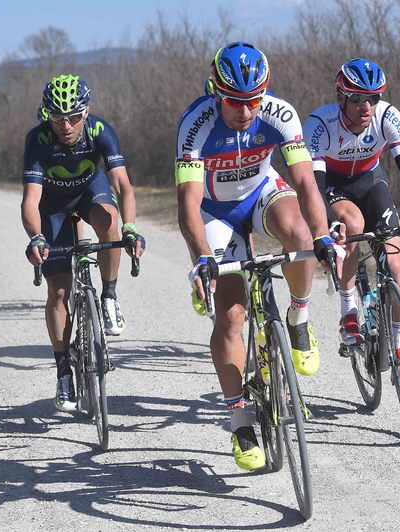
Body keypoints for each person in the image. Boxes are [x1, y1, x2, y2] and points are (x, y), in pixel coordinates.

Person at [175, 42, 336, 470]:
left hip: (261, 192)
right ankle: (240, 420)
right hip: (215, 210)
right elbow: (188, 204)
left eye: (254, 99)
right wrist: (202, 257)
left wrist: (322, 236)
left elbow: (306, 183)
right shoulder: (196, 123)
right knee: (231, 316)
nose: (246, 110)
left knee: (300, 232)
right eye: (235, 101)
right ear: (216, 92)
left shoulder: (280, 114)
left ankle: (298, 316)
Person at [303, 58, 400, 381]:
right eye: (357, 98)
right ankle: (348, 313)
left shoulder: (387, 116)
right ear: (340, 97)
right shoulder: (320, 124)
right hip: (334, 188)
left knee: (395, 264)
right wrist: (328, 225)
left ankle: (399, 342)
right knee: (352, 226)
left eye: (373, 97)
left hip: (371, 182)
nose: (366, 106)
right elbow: (315, 184)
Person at [22, 74, 145, 411]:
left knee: (109, 222)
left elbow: (123, 185)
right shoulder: (38, 140)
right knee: (59, 291)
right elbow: (30, 201)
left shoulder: (100, 131)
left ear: (86, 112)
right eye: (57, 118)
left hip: (91, 191)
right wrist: (36, 237)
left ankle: (109, 296)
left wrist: (130, 227)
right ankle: (63, 371)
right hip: (53, 206)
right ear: (48, 116)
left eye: (74, 117)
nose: (66, 126)